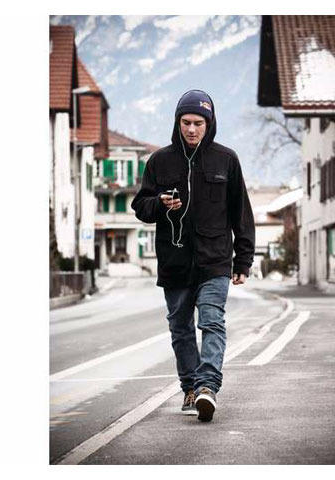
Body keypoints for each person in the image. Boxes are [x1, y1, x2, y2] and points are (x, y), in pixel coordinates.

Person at [131, 89, 255, 422]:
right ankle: (190, 387)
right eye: (186, 122)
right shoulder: (159, 161)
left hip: (215, 260)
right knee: (181, 329)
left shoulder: (226, 159)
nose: (191, 129)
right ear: (177, 122)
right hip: (174, 262)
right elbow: (140, 206)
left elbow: (241, 213)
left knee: (212, 321)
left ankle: (207, 387)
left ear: (209, 124)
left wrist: (243, 261)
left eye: (198, 123)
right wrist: (159, 204)